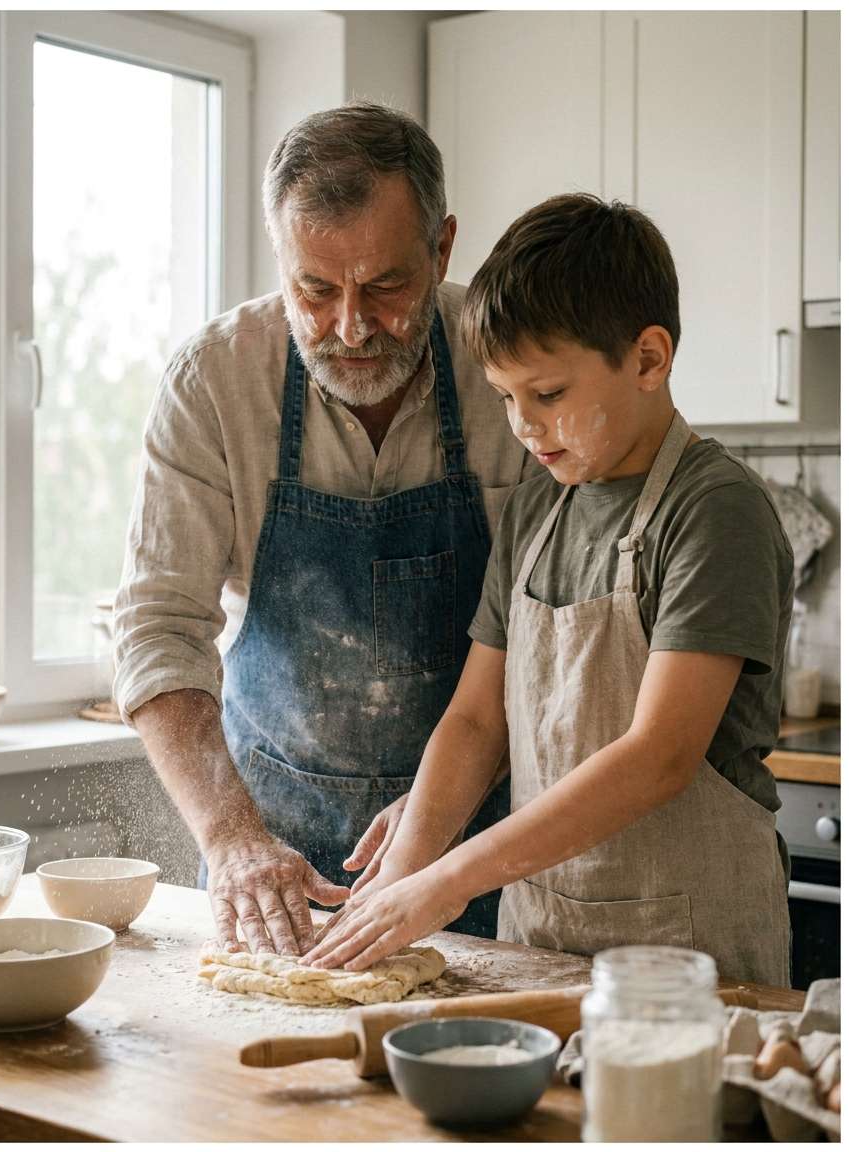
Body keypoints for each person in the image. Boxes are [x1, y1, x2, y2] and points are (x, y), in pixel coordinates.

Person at [304, 192, 794, 987]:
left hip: (690, 958)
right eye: (505, 398)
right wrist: (405, 872)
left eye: (550, 395)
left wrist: (450, 880)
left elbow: (658, 756)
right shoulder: (540, 503)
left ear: (647, 358)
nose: (525, 427)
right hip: (538, 942)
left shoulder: (714, 509)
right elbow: (474, 719)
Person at [113, 102, 539, 957]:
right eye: (314, 289)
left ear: (443, 248)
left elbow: (545, 639)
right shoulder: (215, 382)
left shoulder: (511, 369)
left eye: (385, 286)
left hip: (483, 848)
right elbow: (158, 628)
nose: (350, 327)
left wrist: (436, 813)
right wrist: (231, 838)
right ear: (280, 256)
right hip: (273, 864)